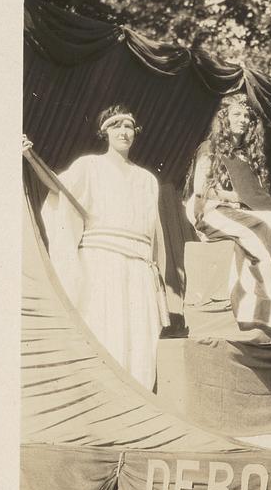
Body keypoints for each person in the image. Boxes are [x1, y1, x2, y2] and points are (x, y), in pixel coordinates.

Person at [24, 105, 169, 390]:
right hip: (102, 263)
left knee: (140, 340)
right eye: (116, 126)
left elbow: (156, 235)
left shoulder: (147, 180)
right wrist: (30, 156)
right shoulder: (89, 166)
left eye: (129, 126)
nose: (124, 132)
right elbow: (59, 190)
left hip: (138, 269)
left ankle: (137, 408)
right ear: (104, 132)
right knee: (107, 332)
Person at [187, 93, 271, 337]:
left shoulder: (246, 155)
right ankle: (263, 307)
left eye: (246, 115)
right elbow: (201, 190)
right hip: (211, 211)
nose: (243, 119)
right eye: (237, 114)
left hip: (238, 211)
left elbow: (254, 195)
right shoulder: (209, 148)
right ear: (224, 118)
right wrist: (234, 198)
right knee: (263, 228)